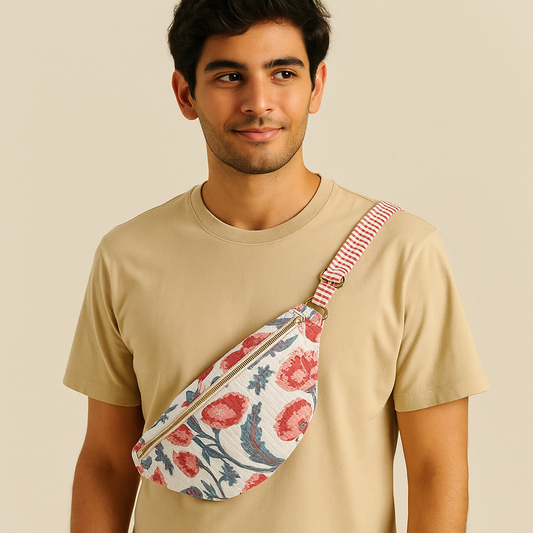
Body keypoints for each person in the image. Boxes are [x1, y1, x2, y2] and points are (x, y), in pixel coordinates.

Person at [64, 0, 489, 531]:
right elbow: (106, 465)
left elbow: (436, 470)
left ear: (316, 87)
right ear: (185, 94)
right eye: (229, 76)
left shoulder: (402, 251)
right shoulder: (127, 256)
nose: (258, 102)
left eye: (283, 73)